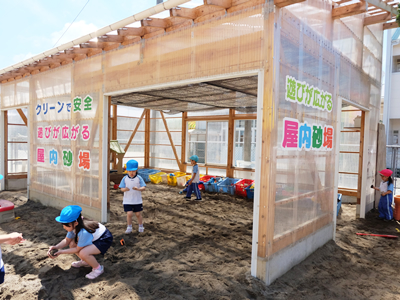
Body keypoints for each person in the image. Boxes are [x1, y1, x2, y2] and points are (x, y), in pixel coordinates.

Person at [47, 205, 113, 279]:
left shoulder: (84, 232)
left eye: (66, 225)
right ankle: (86, 262)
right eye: (63, 224)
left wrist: (61, 252)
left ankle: (98, 268)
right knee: (72, 244)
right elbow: (67, 240)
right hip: (92, 237)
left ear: (75, 223)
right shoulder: (75, 225)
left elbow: (77, 249)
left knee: (84, 252)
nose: (64, 227)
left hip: (103, 239)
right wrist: (56, 247)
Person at [119, 159, 146, 234]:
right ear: (127, 170)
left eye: (133, 171)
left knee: (138, 214)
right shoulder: (125, 178)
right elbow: (121, 188)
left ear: (136, 170)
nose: (131, 173)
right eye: (130, 171)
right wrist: (125, 189)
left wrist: (138, 189)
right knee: (129, 213)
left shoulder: (139, 178)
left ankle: (140, 226)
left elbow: (143, 187)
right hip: (127, 200)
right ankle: (129, 227)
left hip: (137, 200)